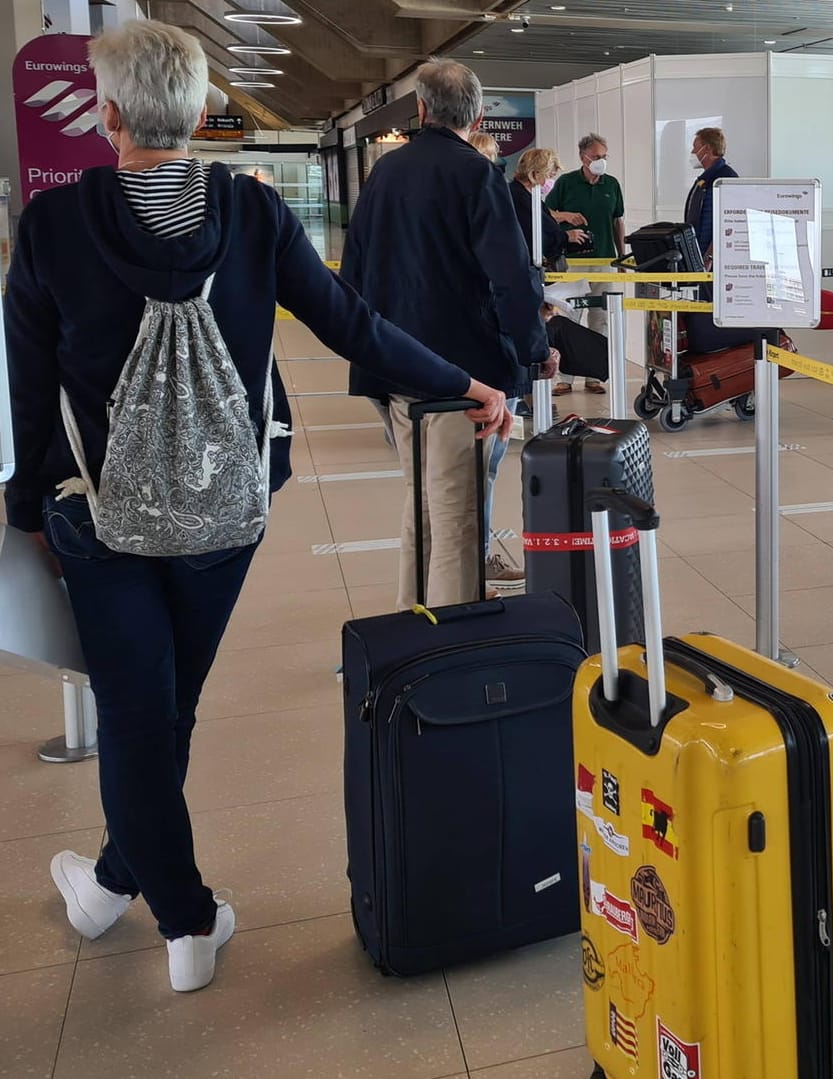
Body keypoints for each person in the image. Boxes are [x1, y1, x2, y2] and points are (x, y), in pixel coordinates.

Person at [3, 20, 510, 994]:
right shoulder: (250, 213)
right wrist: (466, 380)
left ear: (107, 114)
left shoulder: (55, 226)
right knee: (166, 705)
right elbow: (350, 322)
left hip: (104, 514)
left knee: (138, 711)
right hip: (225, 509)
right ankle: (109, 883)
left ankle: (186, 917)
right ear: (201, 115)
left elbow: (30, 385)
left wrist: (30, 506)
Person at [343, 58, 553, 607]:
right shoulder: (477, 175)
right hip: (465, 376)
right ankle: (451, 648)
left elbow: (354, 275)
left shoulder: (385, 172)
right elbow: (510, 279)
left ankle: (410, 630)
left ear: (420, 110)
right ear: (478, 113)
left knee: (421, 508)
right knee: (458, 514)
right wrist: (534, 352)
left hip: (395, 367)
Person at [545, 133, 625, 395]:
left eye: (605, 156)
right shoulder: (566, 183)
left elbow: (617, 221)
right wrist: (566, 215)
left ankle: (594, 374)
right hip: (573, 263)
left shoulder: (611, 184)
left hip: (605, 260)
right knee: (570, 317)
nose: (601, 161)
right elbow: (546, 214)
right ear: (584, 157)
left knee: (600, 317)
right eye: (597, 156)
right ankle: (565, 378)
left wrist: (622, 256)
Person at [510, 147, 587, 265]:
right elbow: (532, 238)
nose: (551, 181)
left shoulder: (530, 197)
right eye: (550, 176)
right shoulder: (519, 198)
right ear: (536, 173)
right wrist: (566, 237)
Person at [684, 127, 738, 262]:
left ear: (707, 149)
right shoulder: (705, 179)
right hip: (699, 255)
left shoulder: (726, 178)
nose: (693, 152)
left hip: (716, 262)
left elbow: (728, 223)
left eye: (695, 147)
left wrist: (709, 257)